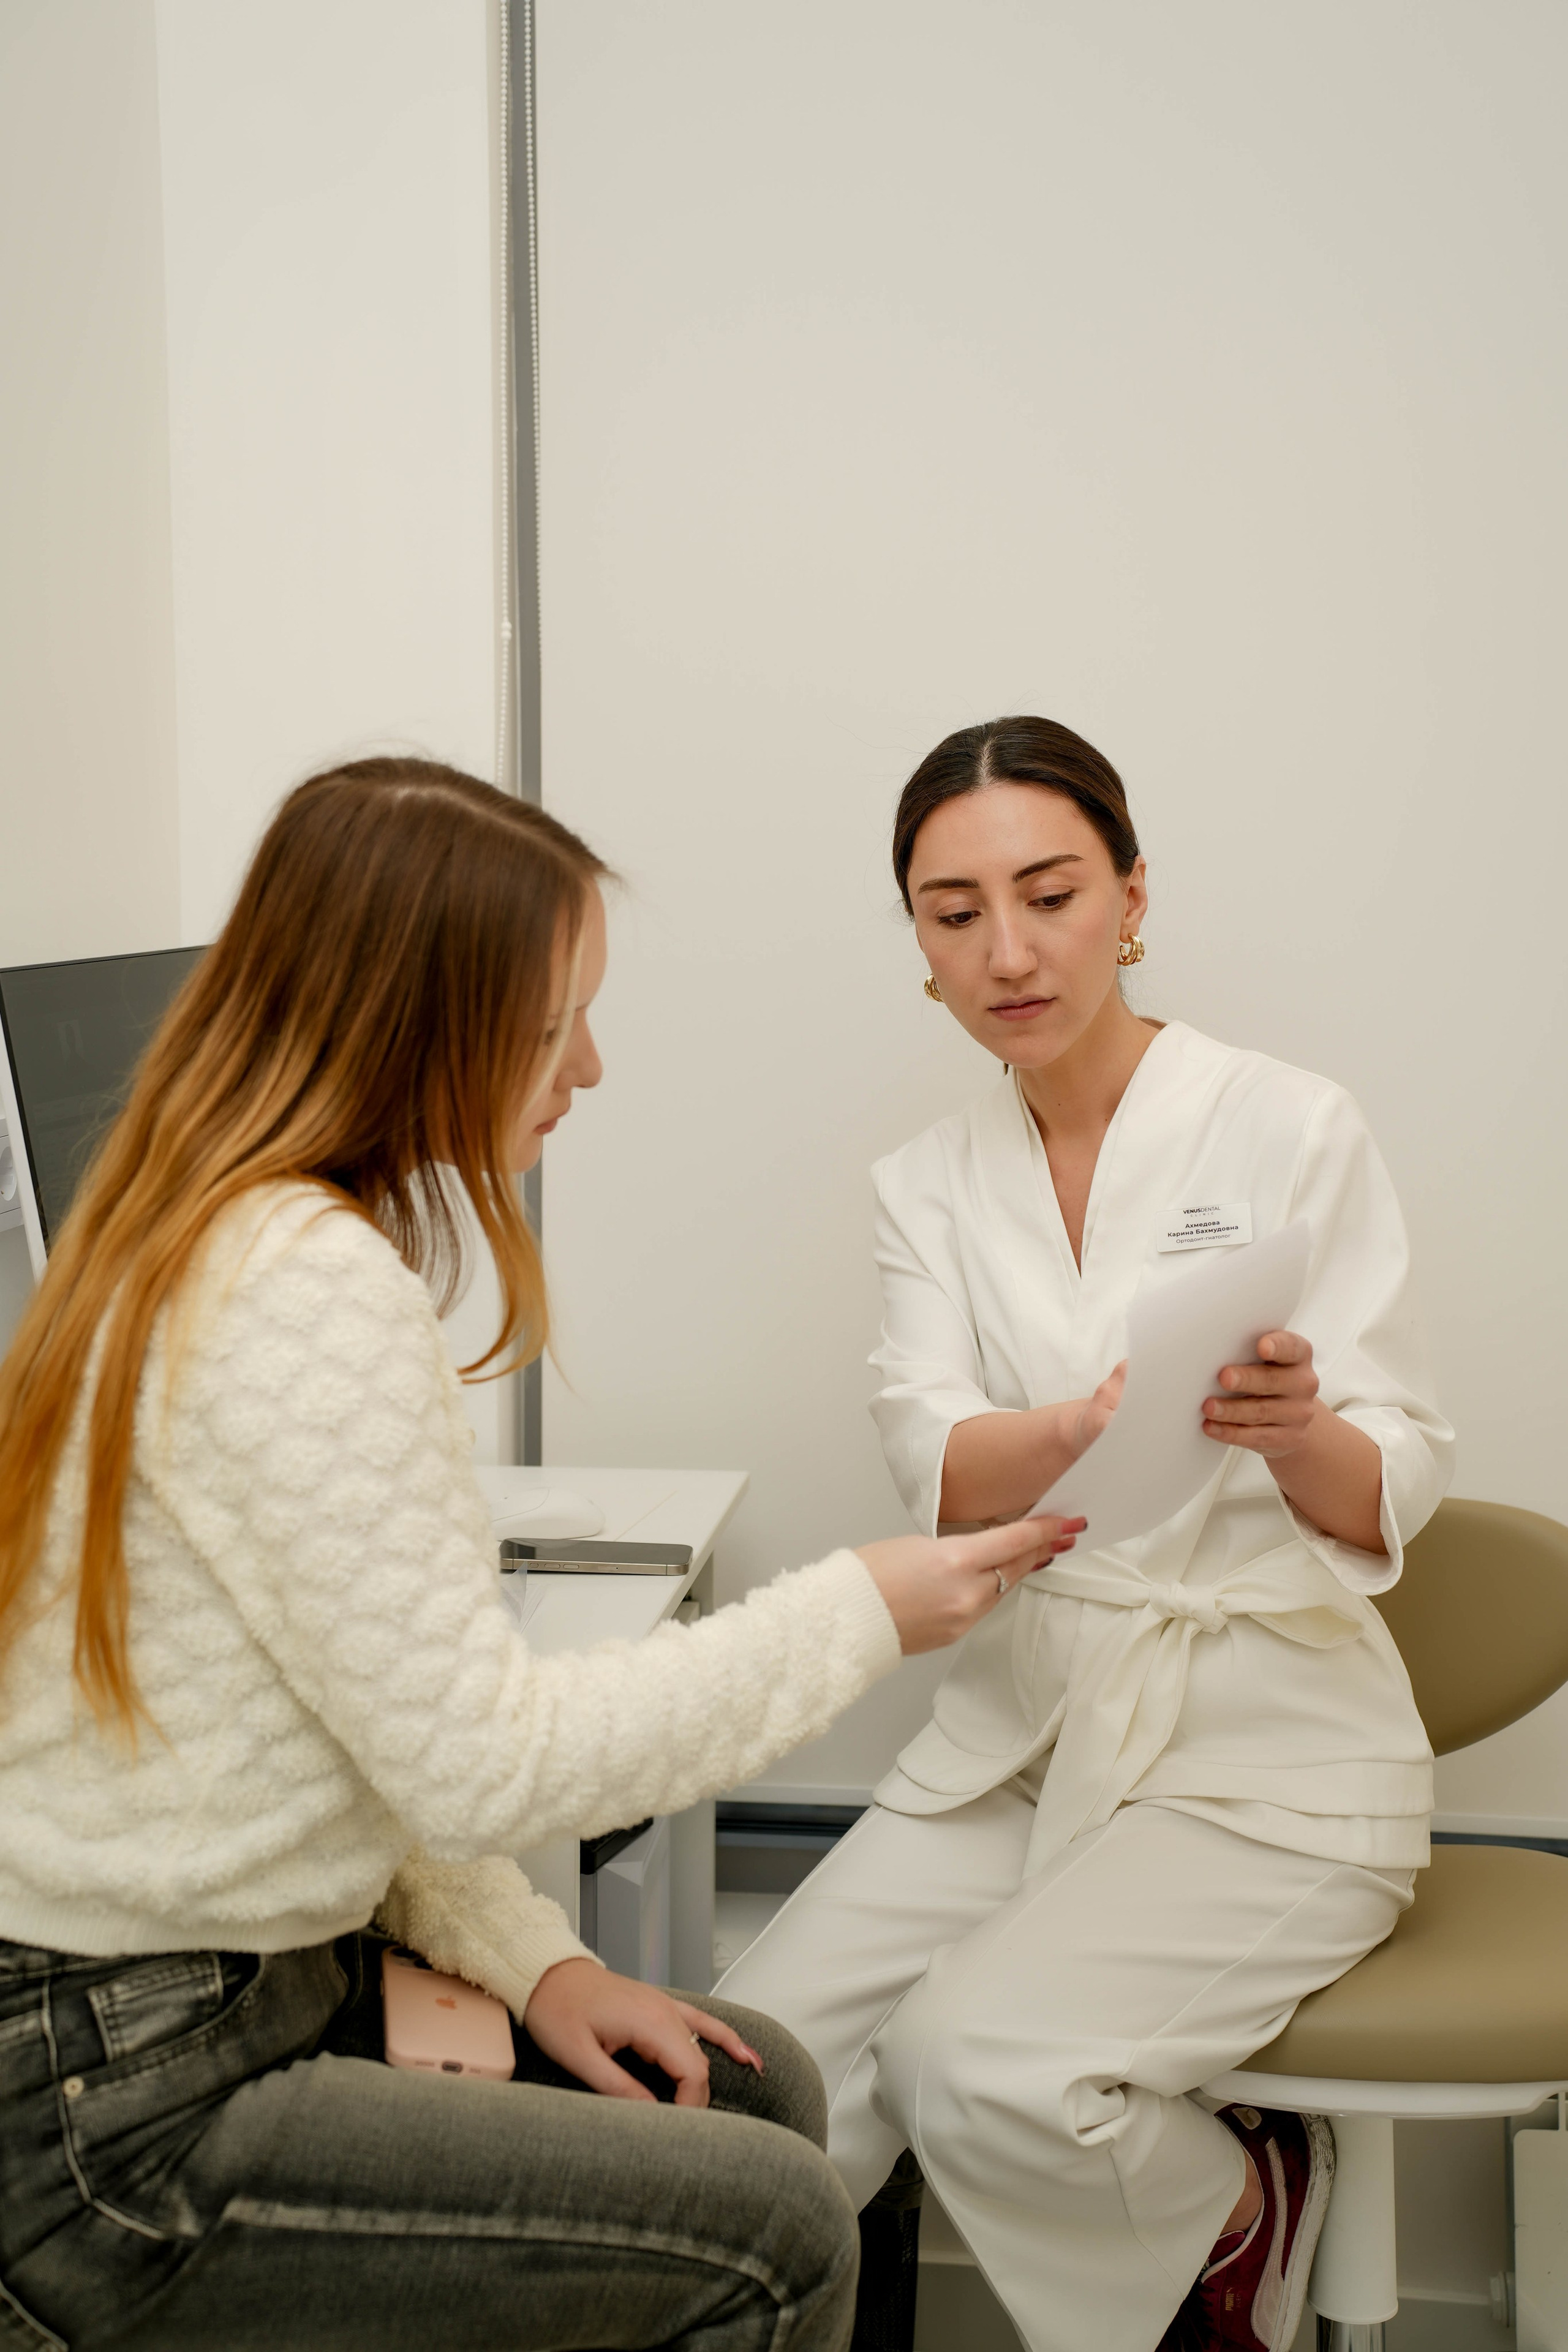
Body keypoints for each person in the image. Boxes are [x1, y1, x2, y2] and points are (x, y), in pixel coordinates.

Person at [0, 758, 1080, 2352]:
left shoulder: (255, 1239)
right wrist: (860, 1612)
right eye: (549, 1019)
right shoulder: (300, 1289)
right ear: (413, 1018)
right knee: (775, 2235)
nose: (589, 1064)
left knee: (753, 2079)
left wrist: (542, 1965)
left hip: (223, 1988)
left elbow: (363, 1754)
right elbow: (478, 1767)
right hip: (120, 2096)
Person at [717, 716, 1453, 2352]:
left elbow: (1396, 1473)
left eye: (1048, 893)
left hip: (1269, 1756)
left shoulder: (1288, 1124)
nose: (1009, 948)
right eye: (954, 910)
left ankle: (1237, 2214)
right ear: (917, 944)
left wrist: (1297, 1429)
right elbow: (932, 1448)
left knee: (973, 2063)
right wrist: (1074, 1436)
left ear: (1130, 893)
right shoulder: (927, 1181)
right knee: (743, 2076)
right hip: (1031, 1736)